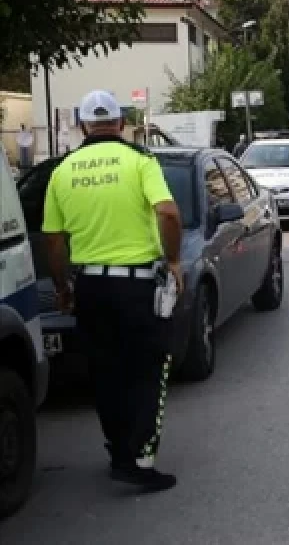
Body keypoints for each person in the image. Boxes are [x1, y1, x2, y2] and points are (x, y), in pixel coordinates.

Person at [42, 90, 185, 492]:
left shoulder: (63, 170)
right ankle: (141, 459)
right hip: (137, 285)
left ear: (83, 125)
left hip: (90, 286)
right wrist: (173, 261)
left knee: (105, 372)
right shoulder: (141, 161)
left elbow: (53, 239)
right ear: (121, 123)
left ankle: (119, 454)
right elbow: (168, 212)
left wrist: (63, 287)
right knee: (148, 368)